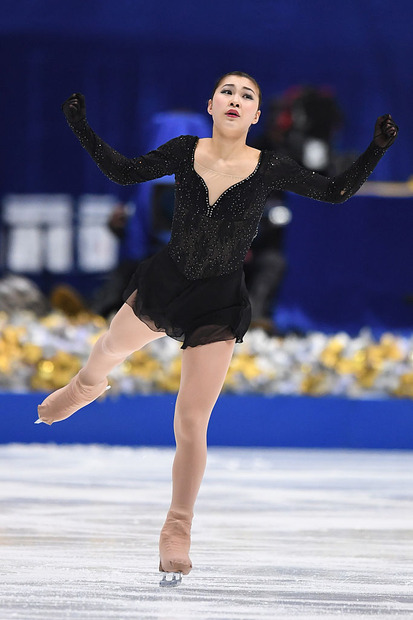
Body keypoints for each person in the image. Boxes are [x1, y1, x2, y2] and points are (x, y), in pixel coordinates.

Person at [36, 72, 398, 586]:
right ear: (211, 104)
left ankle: (176, 528)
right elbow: (123, 173)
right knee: (109, 347)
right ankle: (85, 387)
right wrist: (80, 126)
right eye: (228, 92)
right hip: (167, 282)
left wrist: (375, 150)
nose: (236, 100)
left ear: (255, 117)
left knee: (191, 420)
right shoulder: (186, 150)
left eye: (247, 96)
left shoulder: (268, 166)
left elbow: (336, 192)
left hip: (217, 302)